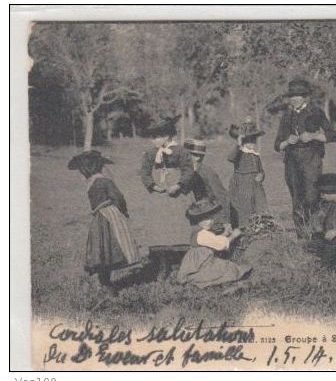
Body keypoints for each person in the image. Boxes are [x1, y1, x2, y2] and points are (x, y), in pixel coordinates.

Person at [68, 150, 140, 296]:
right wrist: (124, 212)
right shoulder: (104, 181)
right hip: (110, 216)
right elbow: (118, 197)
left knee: (102, 249)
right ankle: (108, 284)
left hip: (98, 219)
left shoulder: (90, 183)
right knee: (114, 244)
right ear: (99, 167)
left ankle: (105, 282)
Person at [274, 78, 336, 238]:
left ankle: (316, 235)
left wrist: (313, 136)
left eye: (299, 96)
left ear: (305, 97)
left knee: (312, 197)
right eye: (292, 96)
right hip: (291, 162)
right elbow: (277, 144)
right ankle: (302, 239)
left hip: (311, 158)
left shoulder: (315, 112)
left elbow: (333, 135)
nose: (295, 99)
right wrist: (286, 141)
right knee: (297, 200)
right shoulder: (286, 115)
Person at [138, 117, 194, 248]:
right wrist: (153, 186)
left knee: (177, 222)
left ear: (167, 136)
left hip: (177, 194)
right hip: (159, 195)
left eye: (157, 137)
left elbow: (188, 170)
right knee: (160, 224)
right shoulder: (151, 153)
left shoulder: (181, 151)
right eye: (152, 137)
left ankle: (179, 254)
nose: (153, 140)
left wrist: (178, 185)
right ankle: (161, 255)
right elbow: (144, 173)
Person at [176, 199, 252, 290]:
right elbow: (221, 245)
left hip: (201, 262)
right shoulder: (202, 234)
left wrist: (225, 234)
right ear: (197, 220)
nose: (209, 221)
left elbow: (213, 241)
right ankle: (210, 283)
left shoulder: (200, 231)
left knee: (221, 268)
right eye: (204, 219)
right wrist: (233, 235)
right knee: (227, 268)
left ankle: (199, 282)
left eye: (211, 218)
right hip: (202, 265)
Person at [184, 138, 232, 234]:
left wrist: (226, 222)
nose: (197, 158)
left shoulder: (207, 173)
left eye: (200, 156)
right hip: (196, 214)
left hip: (211, 216)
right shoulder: (186, 171)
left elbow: (222, 197)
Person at [227, 120, 269, 228]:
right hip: (242, 184)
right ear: (244, 141)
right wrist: (238, 144)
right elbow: (230, 158)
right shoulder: (240, 152)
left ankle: (258, 228)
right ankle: (243, 229)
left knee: (259, 207)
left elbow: (261, 170)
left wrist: (261, 175)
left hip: (255, 186)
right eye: (249, 141)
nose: (252, 143)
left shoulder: (255, 155)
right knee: (244, 208)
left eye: (254, 140)